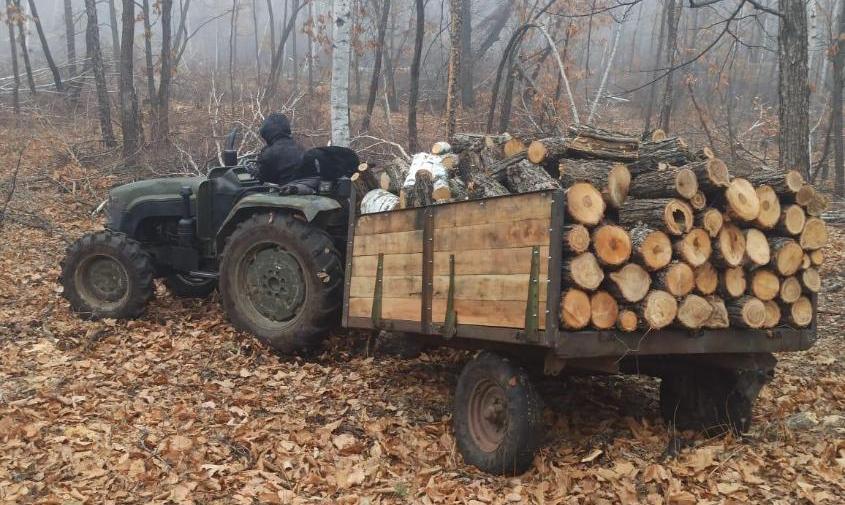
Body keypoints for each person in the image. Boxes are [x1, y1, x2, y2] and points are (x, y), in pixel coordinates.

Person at [256, 113, 305, 185]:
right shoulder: (301, 148)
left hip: (283, 193)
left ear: (267, 133)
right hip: (302, 191)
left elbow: (262, 180)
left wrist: (255, 173)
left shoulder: (270, 153)